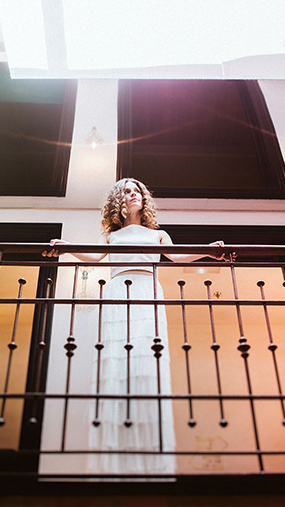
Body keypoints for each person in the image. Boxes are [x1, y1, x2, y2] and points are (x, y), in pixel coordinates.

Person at [44, 178, 225, 477]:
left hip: (147, 292)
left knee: (147, 364)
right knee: (116, 364)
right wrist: (64, 248)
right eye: (127, 191)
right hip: (118, 292)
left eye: (137, 191)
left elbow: (179, 256)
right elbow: (91, 255)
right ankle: (114, 461)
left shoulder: (158, 234)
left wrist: (208, 251)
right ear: (118, 200)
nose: (134, 195)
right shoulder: (111, 236)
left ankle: (150, 460)